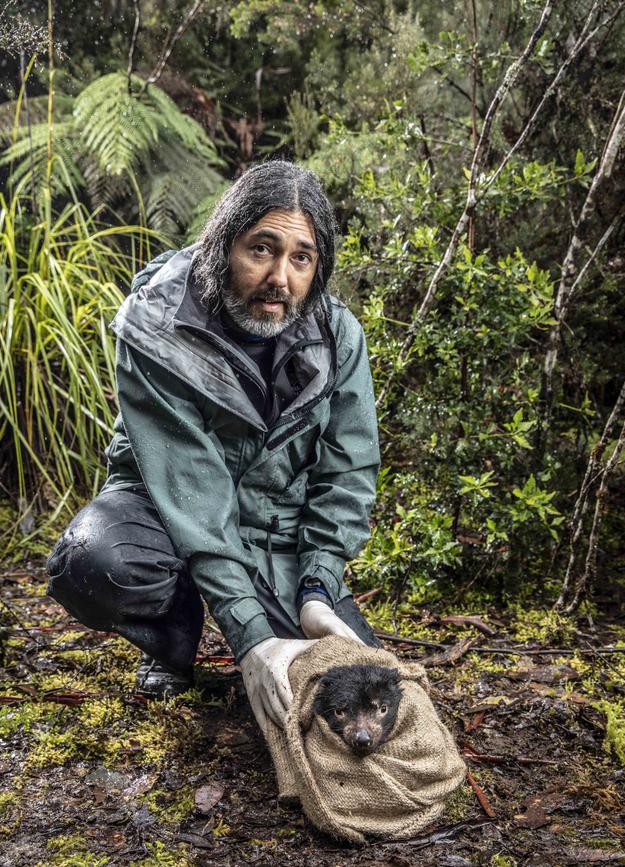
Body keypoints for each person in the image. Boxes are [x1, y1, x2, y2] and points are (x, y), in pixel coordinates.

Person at [46, 161, 381, 734]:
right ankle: (174, 633)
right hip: (164, 507)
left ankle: (283, 604)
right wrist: (251, 637)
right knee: (94, 563)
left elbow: (347, 473)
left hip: (272, 532)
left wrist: (318, 586)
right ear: (224, 244)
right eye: (262, 249)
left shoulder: (337, 336)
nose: (280, 276)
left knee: (355, 688)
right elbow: (191, 491)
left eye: (301, 257)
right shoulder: (156, 323)